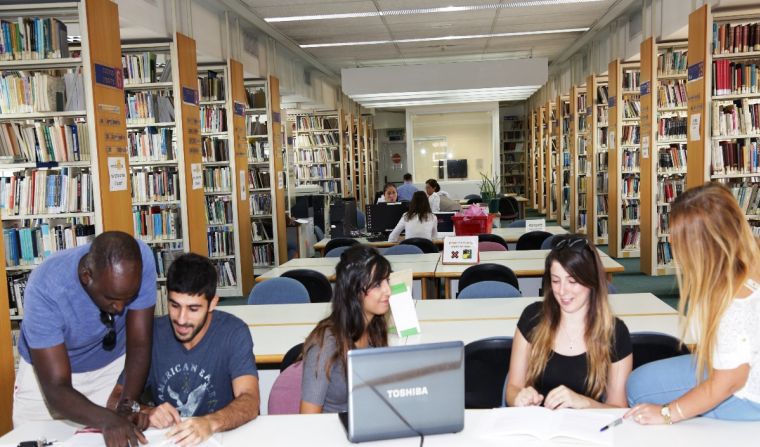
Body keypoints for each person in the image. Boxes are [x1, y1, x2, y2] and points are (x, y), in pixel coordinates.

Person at [626, 182, 760, 423]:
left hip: (749, 397)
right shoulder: (752, 258)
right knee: (643, 379)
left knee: (639, 390)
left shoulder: (732, 304)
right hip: (745, 367)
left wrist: (668, 413)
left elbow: (729, 383)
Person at [14, 231, 156, 447]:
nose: (120, 309)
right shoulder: (45, 286)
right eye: (112, 298)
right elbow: (56, 388)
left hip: (109, 369)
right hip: (48, 378)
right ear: (86, 277)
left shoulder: (139, 260)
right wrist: (108, 419)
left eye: (128, 298)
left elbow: (139, 344)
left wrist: (126, 407)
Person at [108, 253, 260, 445]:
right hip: (168, 439)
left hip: (223, 437)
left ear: (213, 303)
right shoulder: (151, 335)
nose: (181, 319)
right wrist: (146, 412)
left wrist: (210, 422)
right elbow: (115, 400)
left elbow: (250, 400)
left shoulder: (234, 332)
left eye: (193, 309)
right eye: (174, 305)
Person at [505, 234, 632, 409]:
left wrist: (584, 402)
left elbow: (618, 408)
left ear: (592, 281)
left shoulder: (615, 332)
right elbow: (513, 388)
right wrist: (518, 397)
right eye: (556, 281)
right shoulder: (532, 318)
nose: (563, 291)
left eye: (572, 281)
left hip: (587, 430)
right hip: (539, 429)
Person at [300, 245, 391, 413]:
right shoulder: (325, 343)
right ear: (354, 290)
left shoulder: (375, 328)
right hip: (334, 433)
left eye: (387, 281)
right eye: (378, 284)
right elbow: (308, 418)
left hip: (366, 424)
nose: (388, 290)